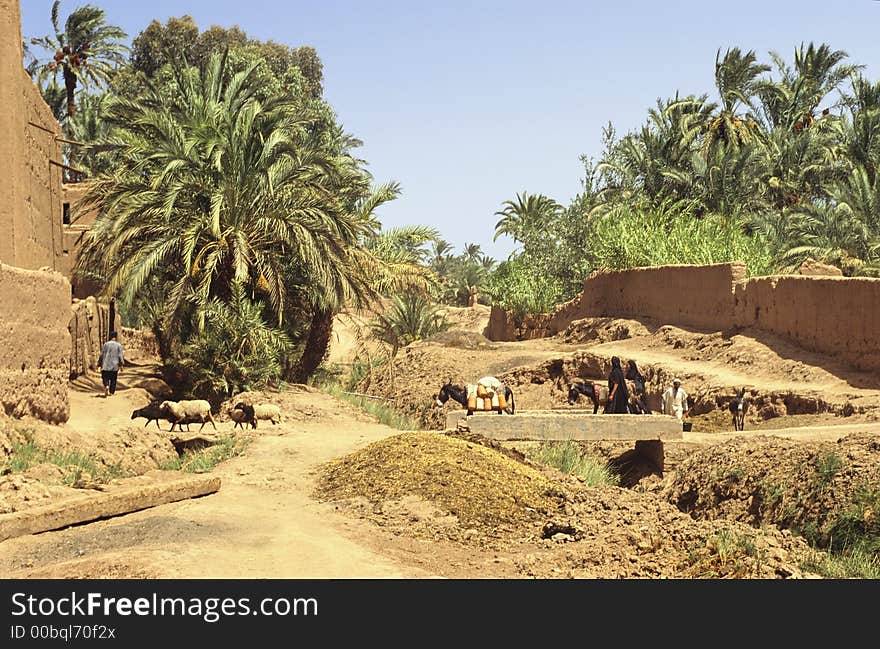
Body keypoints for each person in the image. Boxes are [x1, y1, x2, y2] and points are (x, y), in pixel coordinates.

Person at [98, 330, 125, 397]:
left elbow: (102, 355)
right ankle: (111, 392)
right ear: (116, 337)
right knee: (113, 379)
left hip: (106, 364)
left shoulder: (105, 344)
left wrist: (99, 363)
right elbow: (120, 356)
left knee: (105, 377)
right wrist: (121, 364)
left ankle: (106, 386)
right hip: (114, 365)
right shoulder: (118, 345)